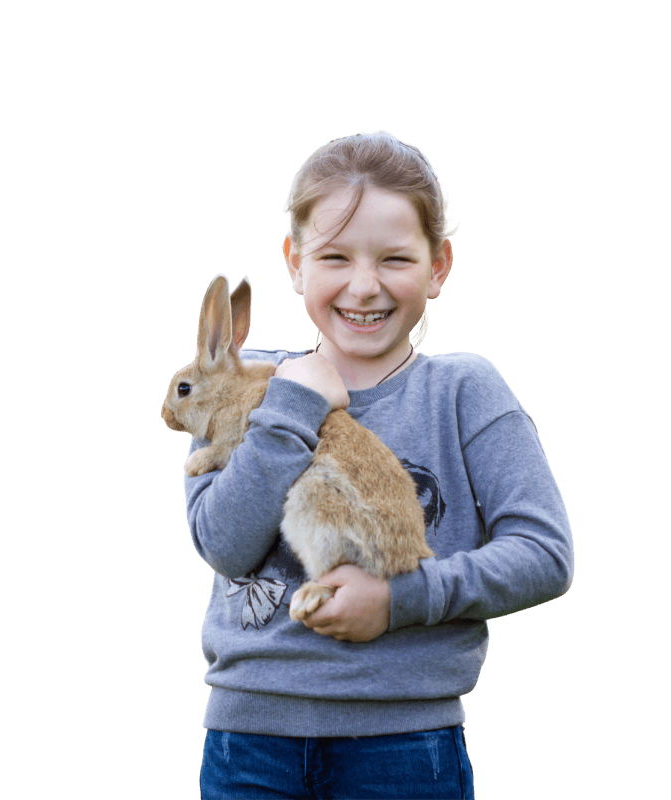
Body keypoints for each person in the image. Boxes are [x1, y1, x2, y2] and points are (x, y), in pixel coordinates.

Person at [184, 130, 575, 799]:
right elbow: (224, 544)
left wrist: (398, 601)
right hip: (248, 741)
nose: (363, 287)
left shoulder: (464, 390)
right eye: (335, 256)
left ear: (438, 265)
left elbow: (545, 554)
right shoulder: (243, 384)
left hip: (404, 744)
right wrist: (294, 406)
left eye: (394, 258)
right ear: (295, 262)